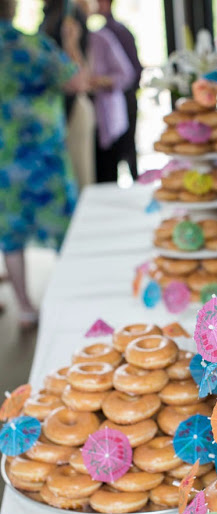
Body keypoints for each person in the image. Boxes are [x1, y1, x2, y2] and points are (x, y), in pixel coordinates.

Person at [0, 0, 86, 328]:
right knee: (63, 228)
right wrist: (72, 43)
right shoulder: (32, 45)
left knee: (10, 234)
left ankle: (24, 307)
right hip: (42, 155)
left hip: (5, 161)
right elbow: (76, 82)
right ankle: (71, 296)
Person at [40, 0, 96, 190]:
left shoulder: (70, 14)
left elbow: (81, 78)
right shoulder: (49, 14)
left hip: (74, 107)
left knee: (79, 177)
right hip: (57, 111)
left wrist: (70, 42)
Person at [97, 0, 143, 180]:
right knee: (127, 148)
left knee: (124, 148)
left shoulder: (110, 33)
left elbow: (132, 71)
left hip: (123, 96)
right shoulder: (115, 30)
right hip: (126, 96)